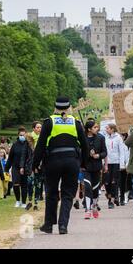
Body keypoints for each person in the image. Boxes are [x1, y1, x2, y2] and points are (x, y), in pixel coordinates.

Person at [32, 96, 89, 235]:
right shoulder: (76, 123)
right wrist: (83, 163)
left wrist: (35, 163)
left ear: (55, 107)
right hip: (72, 161)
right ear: (69, 108)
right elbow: (85, 145)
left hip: (53, 161)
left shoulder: (49, 122)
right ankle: (63, 225)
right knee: (68, 194)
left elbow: (40, 146)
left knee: (51, 192)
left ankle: (49, 224)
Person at [83, 120, 107, 219]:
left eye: (97, 127)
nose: (97, 129)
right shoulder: (82, 138)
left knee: (95, 190)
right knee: (88, 188)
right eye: (95, 127)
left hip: (96, 167)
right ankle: (87, 210)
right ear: (89, 129)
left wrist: (98, 155)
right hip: (85, 167)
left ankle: (94, 206)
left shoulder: (101, 138)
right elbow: (79, 151)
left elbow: (105, 152)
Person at [6, 126, 31, 209]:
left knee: (24, 185)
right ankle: (17, 200)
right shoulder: (15, 145)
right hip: (15, 167)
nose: (22, 137)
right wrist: (6, 168)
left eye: (23, 135)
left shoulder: (28, 144)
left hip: (25, 167)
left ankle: (24, 202)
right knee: (16, 184)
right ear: (18, 135)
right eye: (21, 135)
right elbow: (10, 157)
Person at [104, 123, 123, 209]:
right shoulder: (104, 138)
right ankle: (113, 195)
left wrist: (122, 164)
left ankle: (111, 200)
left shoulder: (118, 138)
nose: (106, 129)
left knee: (114, 181)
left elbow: (121, 151)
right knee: (106, 181)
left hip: (116, 162)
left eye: (107, 128)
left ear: (112, 129)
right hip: (107, 162)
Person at [119, 133, 130, 205]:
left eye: (121, 136)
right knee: (117, 183)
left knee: (123, 183)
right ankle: (116, 197)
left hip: (123, 167)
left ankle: (122, 198)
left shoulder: (125, 145)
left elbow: (127, 156)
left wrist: (126, 165)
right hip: (116, 166)